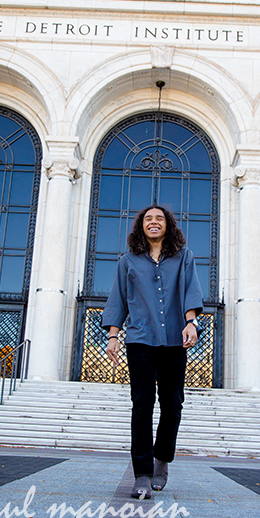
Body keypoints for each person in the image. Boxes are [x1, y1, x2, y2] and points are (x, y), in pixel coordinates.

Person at [102, 205, 203, 499]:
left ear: (168, 225)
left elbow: (191, 291)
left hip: (175, 341)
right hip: (140, 341)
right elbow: (118, 298)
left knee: (172, 405)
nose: (154, 222)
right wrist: (113, 336)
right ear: (141, 227)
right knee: (142, 406)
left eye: (159, 218)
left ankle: (162, 459)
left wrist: (191, 322)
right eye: (148, 219)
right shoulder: (128, 261)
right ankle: (143, 474)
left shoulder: (184, 257)